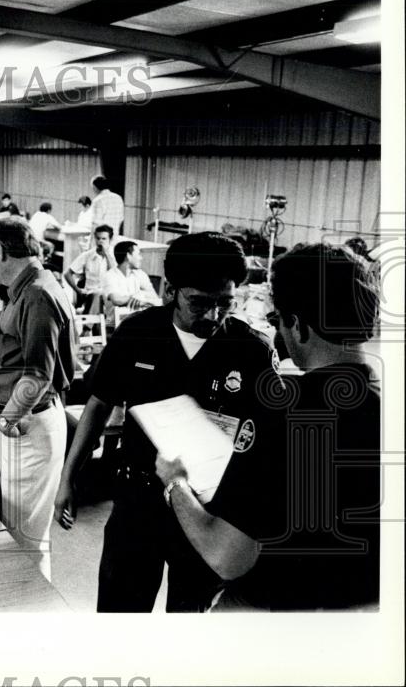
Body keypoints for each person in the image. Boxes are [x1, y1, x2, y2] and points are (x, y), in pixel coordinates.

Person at [53, 232, 283, 612]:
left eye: (225, 303)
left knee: (189, 619)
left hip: (205, 513)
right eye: (199, 303)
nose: (213, 315)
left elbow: (268, 441)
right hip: (136, 501)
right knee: (119, 613)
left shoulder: (251, 351)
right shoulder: (137, 334)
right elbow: (98, 404)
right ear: (171, 291)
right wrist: (67, 478)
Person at [157, 243, 379, 611]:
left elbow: (227, 556)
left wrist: (175, 484)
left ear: (298, 323)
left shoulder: (284, 413)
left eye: (279, 319)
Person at [0, 217, 75, 580]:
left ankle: (31, 605)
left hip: (26, 423)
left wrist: (7, 419)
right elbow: (19, 354)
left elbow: (38, 375)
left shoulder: (37, 294)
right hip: (19, 420)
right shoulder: (29, 289)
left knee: (25, 532)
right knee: (17, 517)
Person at [102, 240, 162, 326]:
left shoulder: (140, 274)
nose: (141, 258)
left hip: (139, 323)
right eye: (138, 254)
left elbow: (154, 297)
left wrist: (139, 295)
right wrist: (135, 298)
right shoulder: (110, 276)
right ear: (128, 256)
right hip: (116, 326)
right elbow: (116, 299)